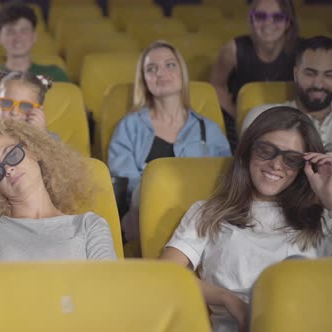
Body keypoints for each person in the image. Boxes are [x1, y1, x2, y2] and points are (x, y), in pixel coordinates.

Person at [161, 106, 332, 332]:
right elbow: (166, 276)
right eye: (265, 151)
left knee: (295, 271)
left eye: (291, 159)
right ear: (248, 150)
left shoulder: (322, 218)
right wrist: (228, 299)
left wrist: (328, 199)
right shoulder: (208, 212)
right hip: (235, 327)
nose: (276, 164)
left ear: (304, 167)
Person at [108, 40, 231, 243]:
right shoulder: (129, 126)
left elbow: (226, 179)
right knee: (143, 189)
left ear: (182, 72)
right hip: (146, 217)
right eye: (151, 68)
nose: (161, 73)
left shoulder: (209, 129)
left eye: (170, 65)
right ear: (144, 80)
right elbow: (126, 182)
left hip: (201, 220)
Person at [0, 119, 117, 262]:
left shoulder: (90, 226)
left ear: (34, 150)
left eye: (12, 155)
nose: (8, 169)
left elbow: (106, 289)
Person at [210, 0, 299, 149]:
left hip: (290, 124)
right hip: (241, 123)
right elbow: (216, 85)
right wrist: (237, 115)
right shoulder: (233, 49)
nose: (268, 23)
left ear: (288, 22)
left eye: (277, 17)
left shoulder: (301, 52)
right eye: (260, 16)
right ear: (251, 19)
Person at [242, 36, 332, 152]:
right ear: (295, 74)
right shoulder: (263, 116)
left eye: (329, 75)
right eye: (310, 73)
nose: (319, 84)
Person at [0, 2, 69, 84]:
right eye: (10, 32)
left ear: (34, 36)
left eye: (24, 31)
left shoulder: (55, 75)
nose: (17, 38)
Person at [0, 70, 59, 139]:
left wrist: (40, 135)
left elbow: (53, 149)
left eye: (25, 106)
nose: (14, 112)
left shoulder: (49, 139)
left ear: (39, 111)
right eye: (7, 103)